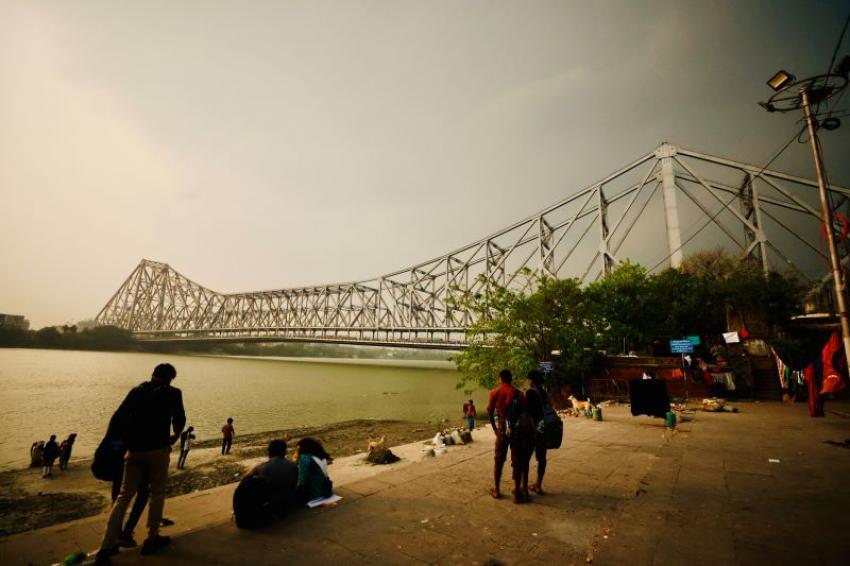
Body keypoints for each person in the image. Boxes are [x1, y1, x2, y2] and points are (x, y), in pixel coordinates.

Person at [94, 363, 185, 565]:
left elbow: (117, 418)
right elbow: (179, 419)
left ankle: (105, 548)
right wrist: (175, 437)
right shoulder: (174, 393)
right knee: (157, 493)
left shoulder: (137, 391)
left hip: (133, 452)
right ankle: (152, 538)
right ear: (171, 378)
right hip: (158, 451)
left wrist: (117, 444)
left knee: (124, 496)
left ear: (152, 374)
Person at [486, 369, 532, 503]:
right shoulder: (519, 394)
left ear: (501, 379)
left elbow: (489, 410)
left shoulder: (495, 392)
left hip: (502, 431)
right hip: (517, 433)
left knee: (499, 460)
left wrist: (495, 428)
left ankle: (497, 489)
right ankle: (517, 493)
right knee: (517, 461)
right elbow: (525, 413)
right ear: (511, 379)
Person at [244, 439, 298, 515]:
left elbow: (245, 480)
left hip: (270, 507)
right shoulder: (293, 466)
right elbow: (294, 485)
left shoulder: (261, 467)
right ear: (284, 452)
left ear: (269, 452)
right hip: (289, 504)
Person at [525, 370, 549, 495]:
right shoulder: (544, 392)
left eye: (528, 379)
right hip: (543, 428)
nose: (528, 381)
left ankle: (524, 487)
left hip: (532, 429)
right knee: (542, 458)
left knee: (526, 458)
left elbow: (527, 411)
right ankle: (538, 484)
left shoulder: (530, 392)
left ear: (532, 380)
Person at [294, 437, 333, 505]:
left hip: (313, 495)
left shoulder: (305, 458)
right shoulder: (320, 455)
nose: (298, 450)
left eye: (298, 448)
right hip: (326, 491)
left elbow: (302, 480)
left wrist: (296, 461)